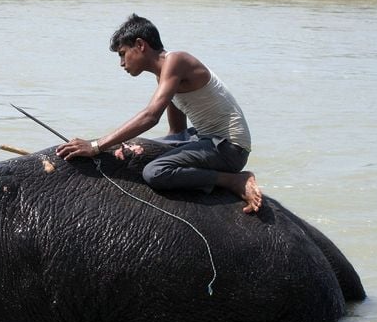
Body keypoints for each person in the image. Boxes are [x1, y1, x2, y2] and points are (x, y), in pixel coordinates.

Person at [55, 14, 263, 213]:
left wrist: (96, 145)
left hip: (229, 148)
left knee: (155, 172)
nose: (121, 64)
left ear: (140, 45)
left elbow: (150, 116)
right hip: (203, 138)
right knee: (136, 149)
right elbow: (177, 131)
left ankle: (232, 180)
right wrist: (132, 148)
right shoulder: (163, 75)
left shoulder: (177, 61)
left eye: (122, 54)